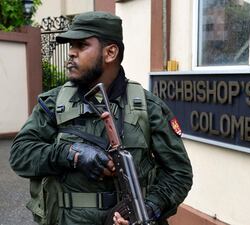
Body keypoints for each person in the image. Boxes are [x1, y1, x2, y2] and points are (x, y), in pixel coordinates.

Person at [9, 11, 192, 225]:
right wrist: (71, 154)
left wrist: (148, 209)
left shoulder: (147, 107)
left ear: (110, 52)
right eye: (71, 46)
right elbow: (20, 155)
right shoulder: (54, 103)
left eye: (81, 45)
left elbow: (178, 173)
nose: (71, 53)